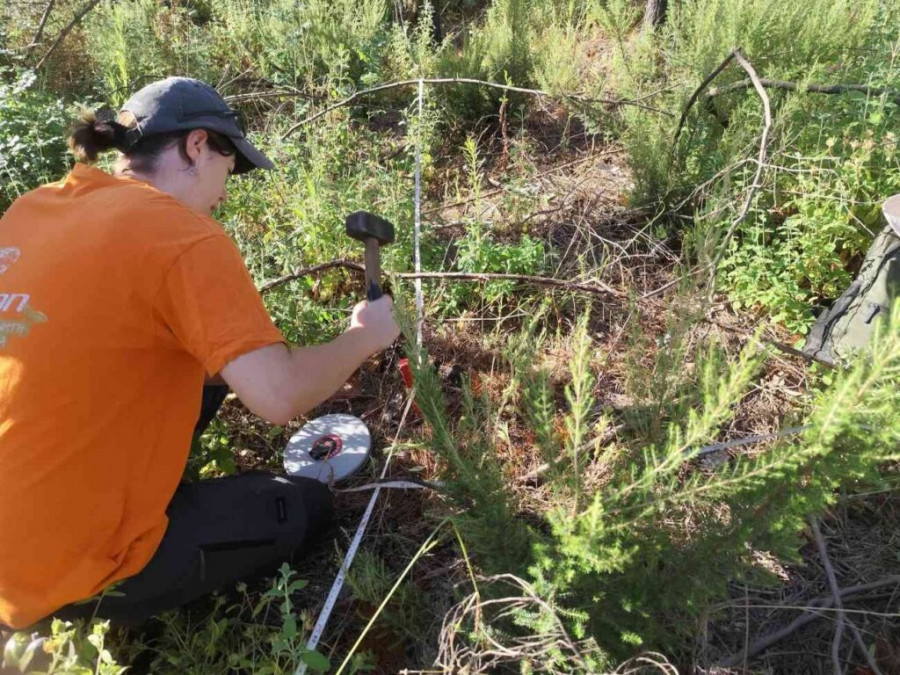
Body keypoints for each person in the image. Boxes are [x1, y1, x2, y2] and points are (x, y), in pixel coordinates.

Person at [0, 77, 400, 630]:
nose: (225, 194)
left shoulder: (32, 210)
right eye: (227, 169)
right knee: (305, 505)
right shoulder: (182, 236)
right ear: (196, 146)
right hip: (51, 573)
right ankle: (94, 580)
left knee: (202, 373)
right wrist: (363, 336)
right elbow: (279, 396)